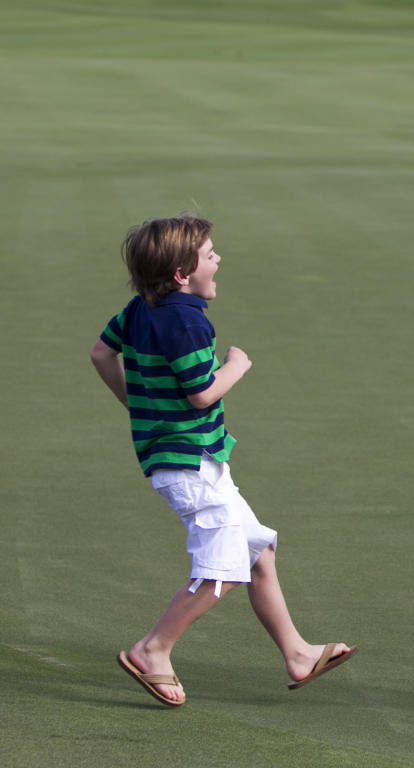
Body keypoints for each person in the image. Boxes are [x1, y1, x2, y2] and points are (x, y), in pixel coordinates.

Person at [90, 215, 357, 707]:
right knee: (224, 566)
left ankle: (298, 654)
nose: (218, 260)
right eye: (209, 254)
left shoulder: (139, 308)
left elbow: (101, 354)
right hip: (188, 463)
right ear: (180, 274)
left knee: (258, 554)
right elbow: (200, 393)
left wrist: (139, 406)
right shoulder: (188, 320)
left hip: (195, 459)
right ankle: (154, 649)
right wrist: (236, 365)